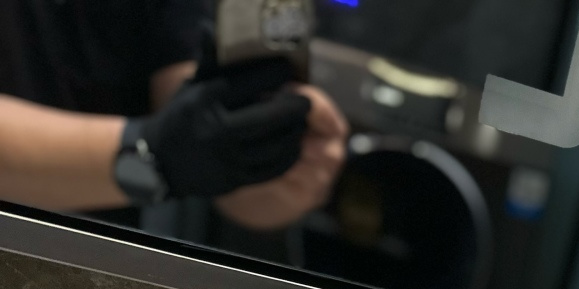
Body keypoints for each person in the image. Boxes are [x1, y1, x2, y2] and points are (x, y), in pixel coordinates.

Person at [0, 1, 347, 230]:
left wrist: (279, 158)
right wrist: (151, 153)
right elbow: (174, 145)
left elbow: (197, 131)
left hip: (97, 277)